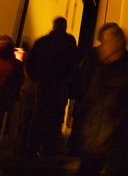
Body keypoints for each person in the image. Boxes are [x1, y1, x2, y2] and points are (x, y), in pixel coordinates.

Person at [78, 23, 128, 175]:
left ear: (117, 43)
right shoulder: (98, 69)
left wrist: (117, 126)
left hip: (114, 142)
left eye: (104, 42)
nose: (101, 47)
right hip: (94, 141)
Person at [26, 17, 78, 157]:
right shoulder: (69, 41)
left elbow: (30, 62)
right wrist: (70, 81)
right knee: (56, 115)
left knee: (40, 113)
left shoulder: (42, 41)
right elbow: (74, 62)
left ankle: (33, 146)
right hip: (60, 83)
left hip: (44, 83)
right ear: (65, 27)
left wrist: (35, 78)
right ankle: (50, 147)